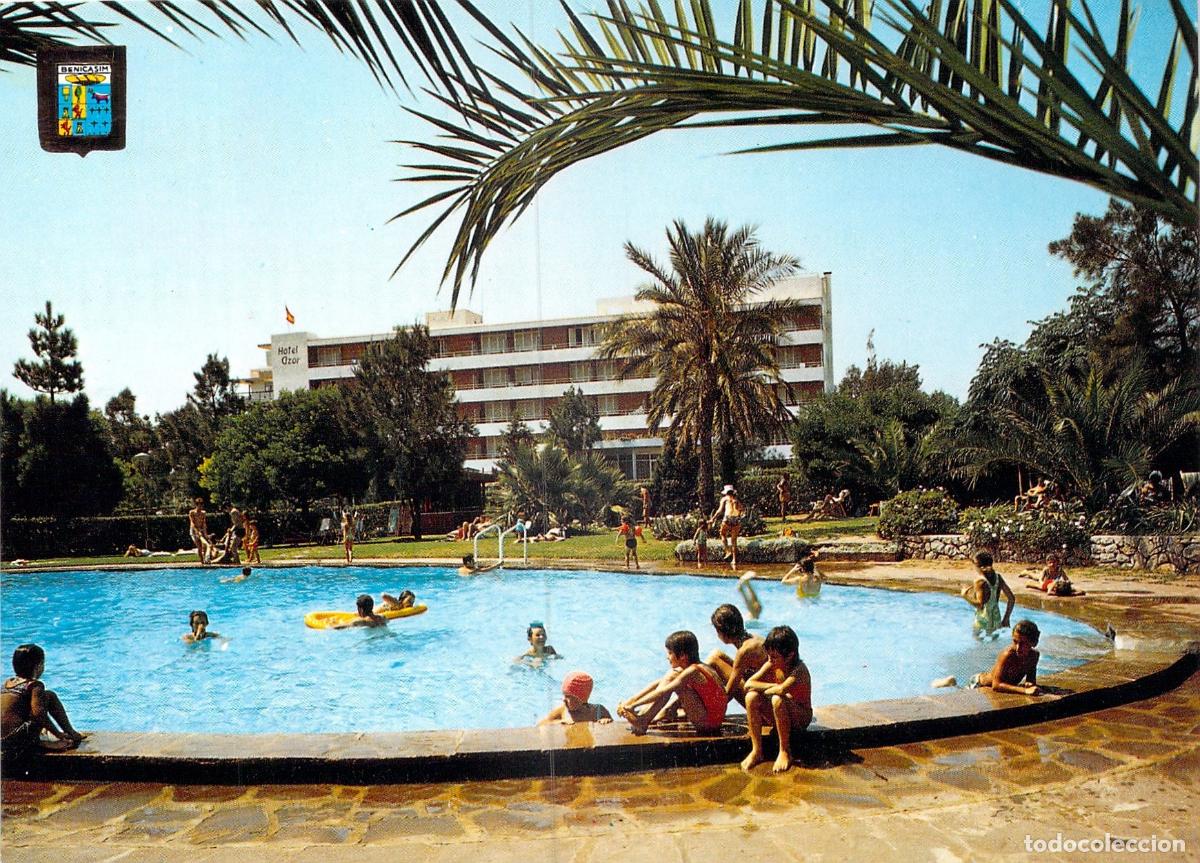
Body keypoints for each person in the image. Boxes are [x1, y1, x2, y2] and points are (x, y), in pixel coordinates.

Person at [617, 630, 727, 736]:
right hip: (713, 721)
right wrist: (631, 701)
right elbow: (658, 683)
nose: (667, 657)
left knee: (674, 679)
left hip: (708, 725)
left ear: (683, 656)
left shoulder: (692, 671)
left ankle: (643, 720)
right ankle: (643, 717)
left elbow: (663, 691)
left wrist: (633, 705)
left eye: (670, 653)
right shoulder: (698, 667)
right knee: (671, 675)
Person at [741, 625, 813, 773]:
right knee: (751, 697)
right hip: (782, 713)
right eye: (769, 655)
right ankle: (757, 750)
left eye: (774, 657)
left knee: (777, 699)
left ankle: (785, 751)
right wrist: (771, 685)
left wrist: (772, 688)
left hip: (800, 718)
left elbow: (781, 690)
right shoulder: (772, 663)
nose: (770, 660)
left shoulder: (799, 670)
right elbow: (748, 685)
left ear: (790, 655)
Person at [2, 644, 86, 756]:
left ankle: (67, 732)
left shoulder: (7, 683)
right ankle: (63, 735)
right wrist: (57, 734)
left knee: (46, 696)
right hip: (13, 741)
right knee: (49, 697)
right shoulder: (35, 685)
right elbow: (39, 714)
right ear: (38, 667)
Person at [706, 604, 767, 706]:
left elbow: (729, 693)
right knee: (717, 655)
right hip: (762, 694)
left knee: (713, 659)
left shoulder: (744, 651)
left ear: (722, 632)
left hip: (761, 704)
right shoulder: (754, 638)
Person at [971, 619, 1042, 695]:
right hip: (978, 683)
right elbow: (996, 685)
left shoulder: (1034, 656)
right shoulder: (1007, 655)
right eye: (1015, 641)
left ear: (1034, 643)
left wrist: (1029, 684)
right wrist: (1024, 691)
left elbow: (1031, 680)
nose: (1018, 647)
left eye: (1023, 643)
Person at [960, 551, 1015, 638]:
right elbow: (1011, 599)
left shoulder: (980, 581)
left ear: (977, 566)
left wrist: (965, 596)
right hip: (996, 620)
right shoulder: (998, 578)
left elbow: (980, 605)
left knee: (978, 648)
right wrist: (1006, 618)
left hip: (983, 621)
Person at [539, 671, 613, 725]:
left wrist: (606, 721)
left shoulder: (598, 711)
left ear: (580, 699)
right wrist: (558, 722)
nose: (564, 700)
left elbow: (613, 727)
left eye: (568, 697)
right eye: (564, 695)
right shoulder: (562, 711)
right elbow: (541, 724)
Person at [711, 485, 744, 570]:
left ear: (726, 492)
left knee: (722, 534)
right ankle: (734, 560)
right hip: (736, 519)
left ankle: (727, 550)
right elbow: (741, 510)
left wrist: (713, 518)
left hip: (727, 518)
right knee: (734, 540)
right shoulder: (737, 500)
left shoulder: (725, 499)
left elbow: (719, 510)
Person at [187, 497, 210, 563]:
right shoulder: (192, 512)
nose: (200, 506)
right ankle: (202, 561)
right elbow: (192, 523)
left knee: (205, 546)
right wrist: (197, 531)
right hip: (194, 531)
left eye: (201, 504)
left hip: (201, 530)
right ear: (196, 505)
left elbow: (203, 523)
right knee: (199, 547)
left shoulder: (203, 513)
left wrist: (204, 532)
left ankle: (206, 560)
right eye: (199, 504)